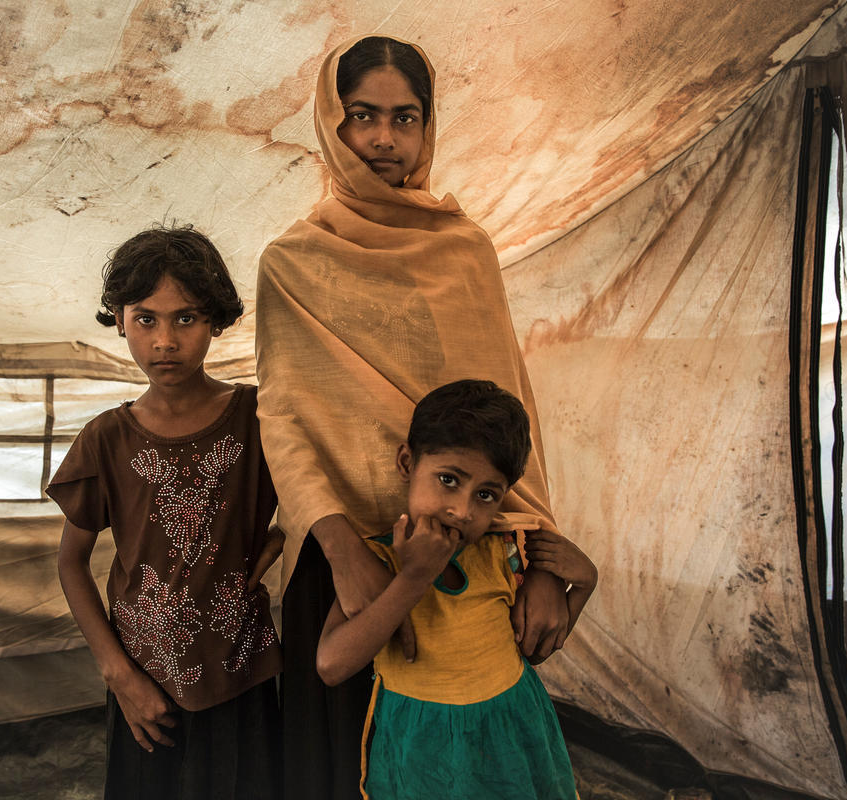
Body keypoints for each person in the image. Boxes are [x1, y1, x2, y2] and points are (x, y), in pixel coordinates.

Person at [255, 35, 576, 797]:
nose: (383, 139)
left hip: (471, 556)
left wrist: (545, 564)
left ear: (429, 129)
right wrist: (341, 549)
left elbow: (507, 409)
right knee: (341, 771)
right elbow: (286, 422)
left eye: (406, 119)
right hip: (347, 573)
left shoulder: (465, 251)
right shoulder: (291, 262)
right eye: (362, 116)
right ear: (331, 126)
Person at [48, 225, 284, 800]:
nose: (165, 341)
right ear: (119, 320)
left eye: (186, 318)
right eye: (145, 318)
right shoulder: (105, 439)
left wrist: (284, 536)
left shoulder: (261, 418)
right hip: (145, 686)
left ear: (216, 321)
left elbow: (318, 498)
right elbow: (72, 563)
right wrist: (119, 676)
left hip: (242, 673)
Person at [316, 380, 595, 799]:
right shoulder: (376, 563)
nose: (463, 511)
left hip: (513, 741)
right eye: (448, 479)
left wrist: (585, 584)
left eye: (486, 494)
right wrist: (412, 577)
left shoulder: (501, 552)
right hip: (422, 756)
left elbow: (535, 650)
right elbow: (331, 665)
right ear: (408, 463)